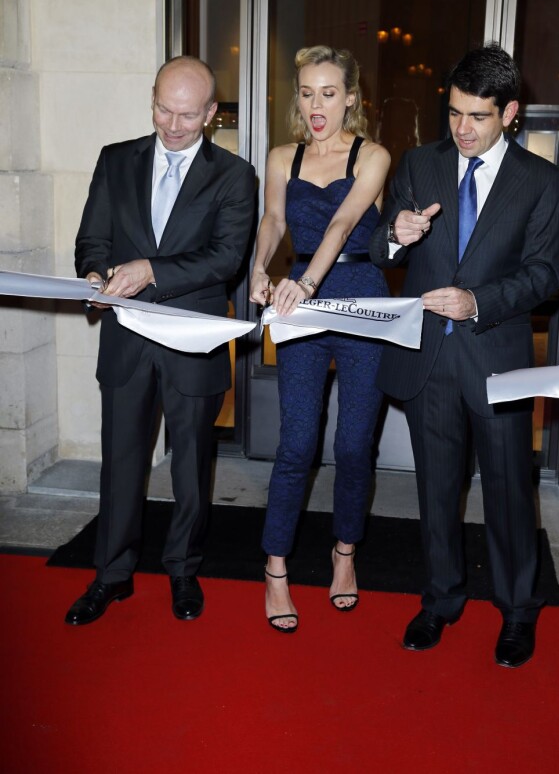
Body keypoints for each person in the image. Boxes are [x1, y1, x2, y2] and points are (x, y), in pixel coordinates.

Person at [369, 43, 559, 667]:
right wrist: (395, 235)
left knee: (509, 494)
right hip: (429, 360)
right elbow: (379, 245)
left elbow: (547, 275)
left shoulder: (542, 181)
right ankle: (441, 600)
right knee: (436, 492)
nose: (462, 128)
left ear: (509, 113)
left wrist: (478, 301)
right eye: (454, 113)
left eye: (478, 116)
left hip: (497, 360)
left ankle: (518, 610)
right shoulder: (420, 164)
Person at [65, 56, 256, 625]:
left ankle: (183, 570)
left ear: (212, 112)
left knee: (192, 466)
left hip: (192, 337)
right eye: (164, 110)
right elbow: (92, 240)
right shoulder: (115, 159)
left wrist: (151, 270)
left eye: (188, 115)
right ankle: (111, 575)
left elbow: (226, 258)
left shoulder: (234, 175)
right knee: (121, 461)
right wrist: (96, 277)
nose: (173, 125)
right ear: (152, 100)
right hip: (125, 338)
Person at [249, 46, 391, 633]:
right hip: (300, 309)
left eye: (329, 93)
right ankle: (276, 568)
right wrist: (259, 267)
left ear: (350, 98)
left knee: (355, 445)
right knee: (297, 443)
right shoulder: (282, 156)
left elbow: (343, 222)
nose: (316, 105)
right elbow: (274, 220)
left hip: (360, 301)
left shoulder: (374, 155)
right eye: (307, 92)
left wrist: (305, 281)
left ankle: (344, 553)